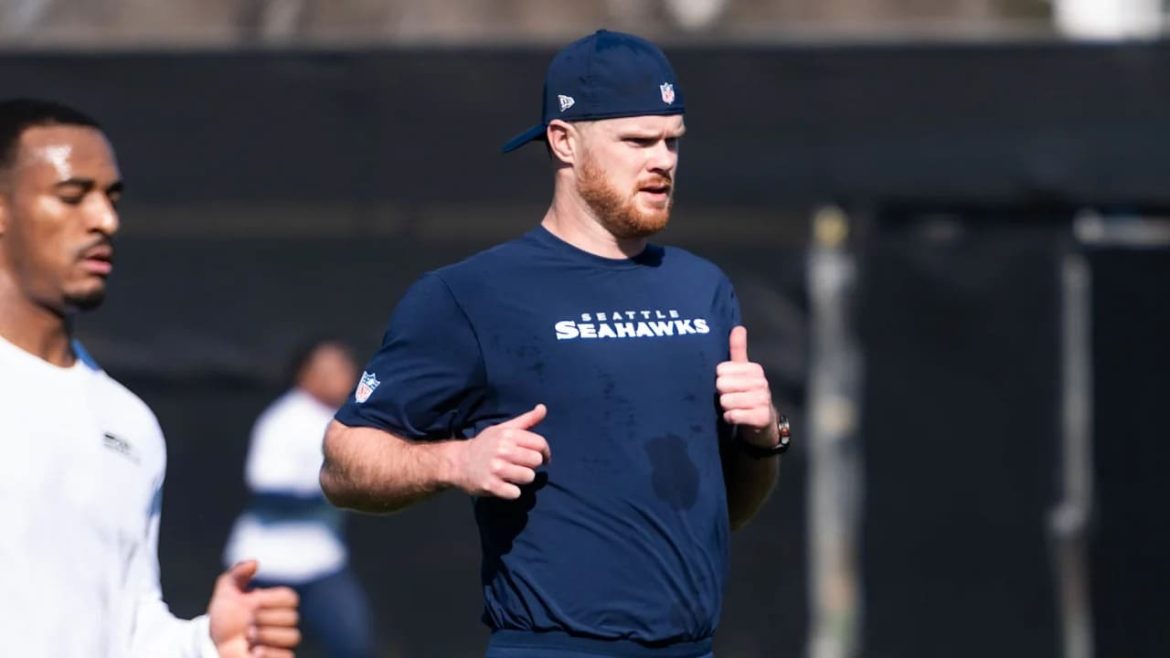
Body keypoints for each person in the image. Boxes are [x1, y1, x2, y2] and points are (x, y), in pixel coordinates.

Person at [320, 29, 790, 658]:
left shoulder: (703, 289)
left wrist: (762, 438)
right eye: (638, 141)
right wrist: (455, 462)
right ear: (564, 140)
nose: (664, 160)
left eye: (672, 140)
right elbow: (341, 464)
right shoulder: (471, 294)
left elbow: (726, 511)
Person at [0, 98, 302, 658]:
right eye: (72, 195)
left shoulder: (128, 423)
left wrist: (208, 644)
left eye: (111, 198)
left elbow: (130, 627)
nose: (105, 220)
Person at [224, 339, 374, 658]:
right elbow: (266, 487)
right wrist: (335, 487)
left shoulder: (348, 419)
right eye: (329, 369)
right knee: (254, 652)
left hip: (322, 562)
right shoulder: (283, 420)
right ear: (306, 375)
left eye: (345, 367)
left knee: (354, 646)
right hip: (267, 566)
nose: (342, 375)